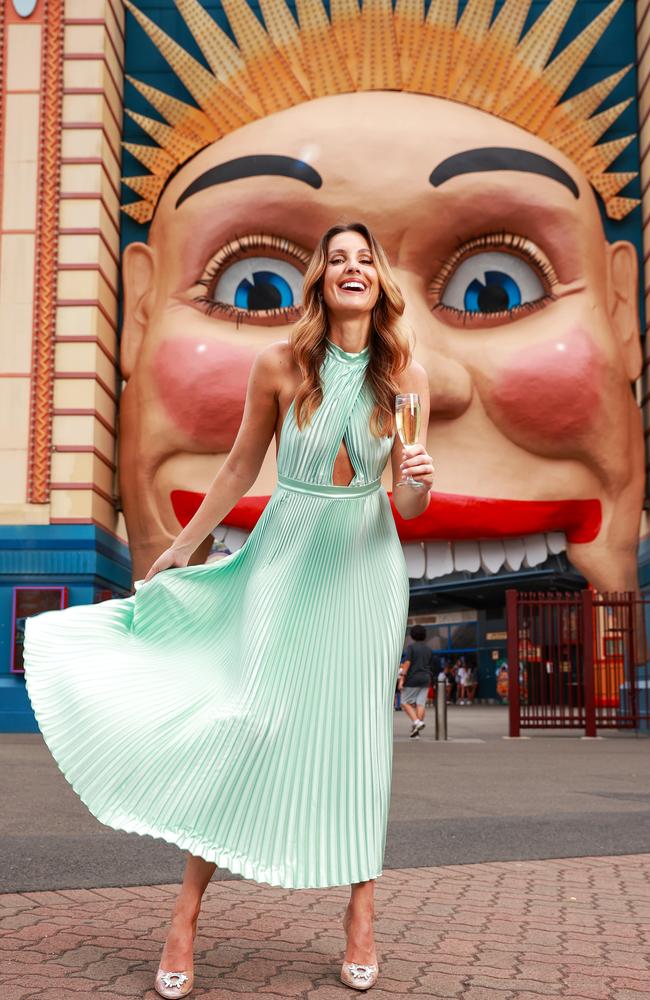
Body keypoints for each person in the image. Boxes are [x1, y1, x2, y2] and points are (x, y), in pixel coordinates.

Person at [22, 221, 435, 997]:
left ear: (379, 281)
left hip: (366, 565)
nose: (352, 269)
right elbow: (243, 464)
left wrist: (419, 474)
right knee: (248, 719)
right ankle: (184, 915)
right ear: (321, 280)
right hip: (288, 550)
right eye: (337, 260)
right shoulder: (281, 363)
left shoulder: (407, 374)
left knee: (359, 741)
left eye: (364, 261)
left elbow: (407, 504)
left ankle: (361, 916)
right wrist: (182, 546)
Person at [397, 625, 436, 738]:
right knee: (420, 704)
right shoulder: (428, 649)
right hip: (425, 678)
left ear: (412, 635)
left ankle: (417, 722)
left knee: (404, 702)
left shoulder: (411, 648)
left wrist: (402, 679)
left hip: (413, 678)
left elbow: (407, 663)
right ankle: (416, 731)